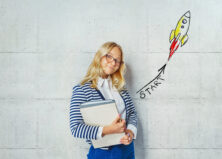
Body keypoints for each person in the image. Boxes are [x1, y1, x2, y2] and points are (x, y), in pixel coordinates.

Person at [69, 41, 137, 159]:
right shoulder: (82, 89)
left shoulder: (120, 87)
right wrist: (108, 130)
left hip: (127, 149)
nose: (113, 62)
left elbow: (132, 114)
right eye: (109, 56)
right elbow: (76, 128)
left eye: (117, 60)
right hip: (104, 153)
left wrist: (130, 133)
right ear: (100, 56)